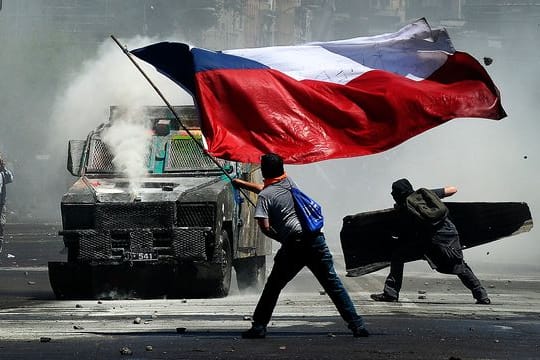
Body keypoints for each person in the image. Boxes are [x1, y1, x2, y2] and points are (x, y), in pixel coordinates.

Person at [233, 153, 369, 338]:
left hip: (293, 245)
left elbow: (264, 227)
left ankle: (259, 327)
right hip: (316, 241)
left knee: (273, 286)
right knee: (333, 285)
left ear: (264, 171)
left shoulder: (265, 196)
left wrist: (280, 237)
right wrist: (240, 183)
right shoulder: (289, 182)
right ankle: (357, 325)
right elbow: (264, 188)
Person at [370, 178, 490, 305]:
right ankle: (482, 296)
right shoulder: (425, 194)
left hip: (428, 241)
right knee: (460, 266)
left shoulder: (404, 207)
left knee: (398, 256)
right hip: (448, 235)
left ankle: (391, 293)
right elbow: (453, 190)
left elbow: (399, 232)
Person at [0, 153, 14, 254]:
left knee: (0, 226)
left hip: (0, 205)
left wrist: (4, 168)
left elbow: (10, 179)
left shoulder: (2, 173)